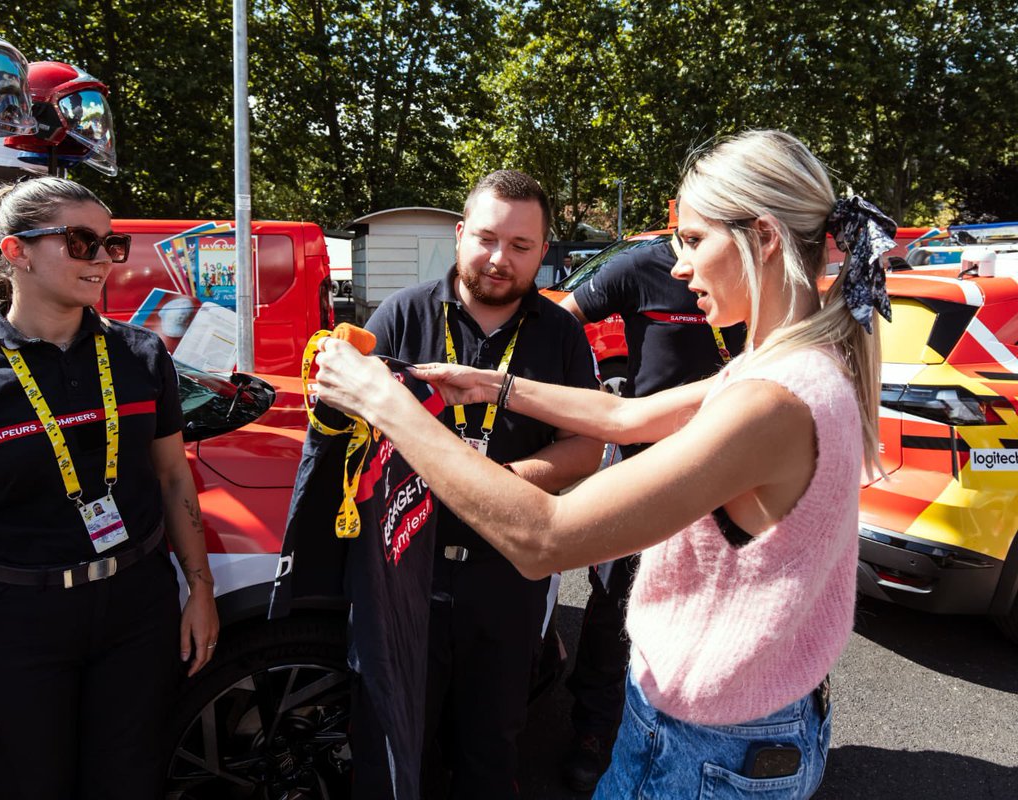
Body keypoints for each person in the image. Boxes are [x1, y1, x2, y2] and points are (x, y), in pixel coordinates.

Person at [315, 130, 896, 799]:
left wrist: (387, 405)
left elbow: (545, 537)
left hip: (712, 748)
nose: (678, 268)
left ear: (763, 237)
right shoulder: (784, 365)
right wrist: (489, 384)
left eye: (696, 240)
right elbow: (626, 418)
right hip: (700, 722)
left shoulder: (774, 399)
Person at [0, 176, 220, 800]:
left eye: (110, 243)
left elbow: (174, 474)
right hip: (16, 626)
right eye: (80, 242)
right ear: (15, 252)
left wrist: (199, 587)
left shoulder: (141, 355)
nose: (102, 258)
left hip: (136, 610)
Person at [362, 169, 602, 798]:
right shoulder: (401, 315)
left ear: (543, 253)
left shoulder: (561, 333)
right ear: (461, 233)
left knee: (490, 751)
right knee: (398, 749)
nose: (500, 259)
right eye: (488, 238)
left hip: (507, 577)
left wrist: (493, 485)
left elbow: (587, 444)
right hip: (408, 570)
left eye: (522, 247)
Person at [557, 235, 746, 791]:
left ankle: (686, 724)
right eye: (685, 234)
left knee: (709, 601)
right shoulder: (642, 264)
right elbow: (561, 318)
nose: (687, 263)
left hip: (727, 462)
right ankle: (594, 725)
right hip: (645, 463)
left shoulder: (751, 276)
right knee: (616, 594)